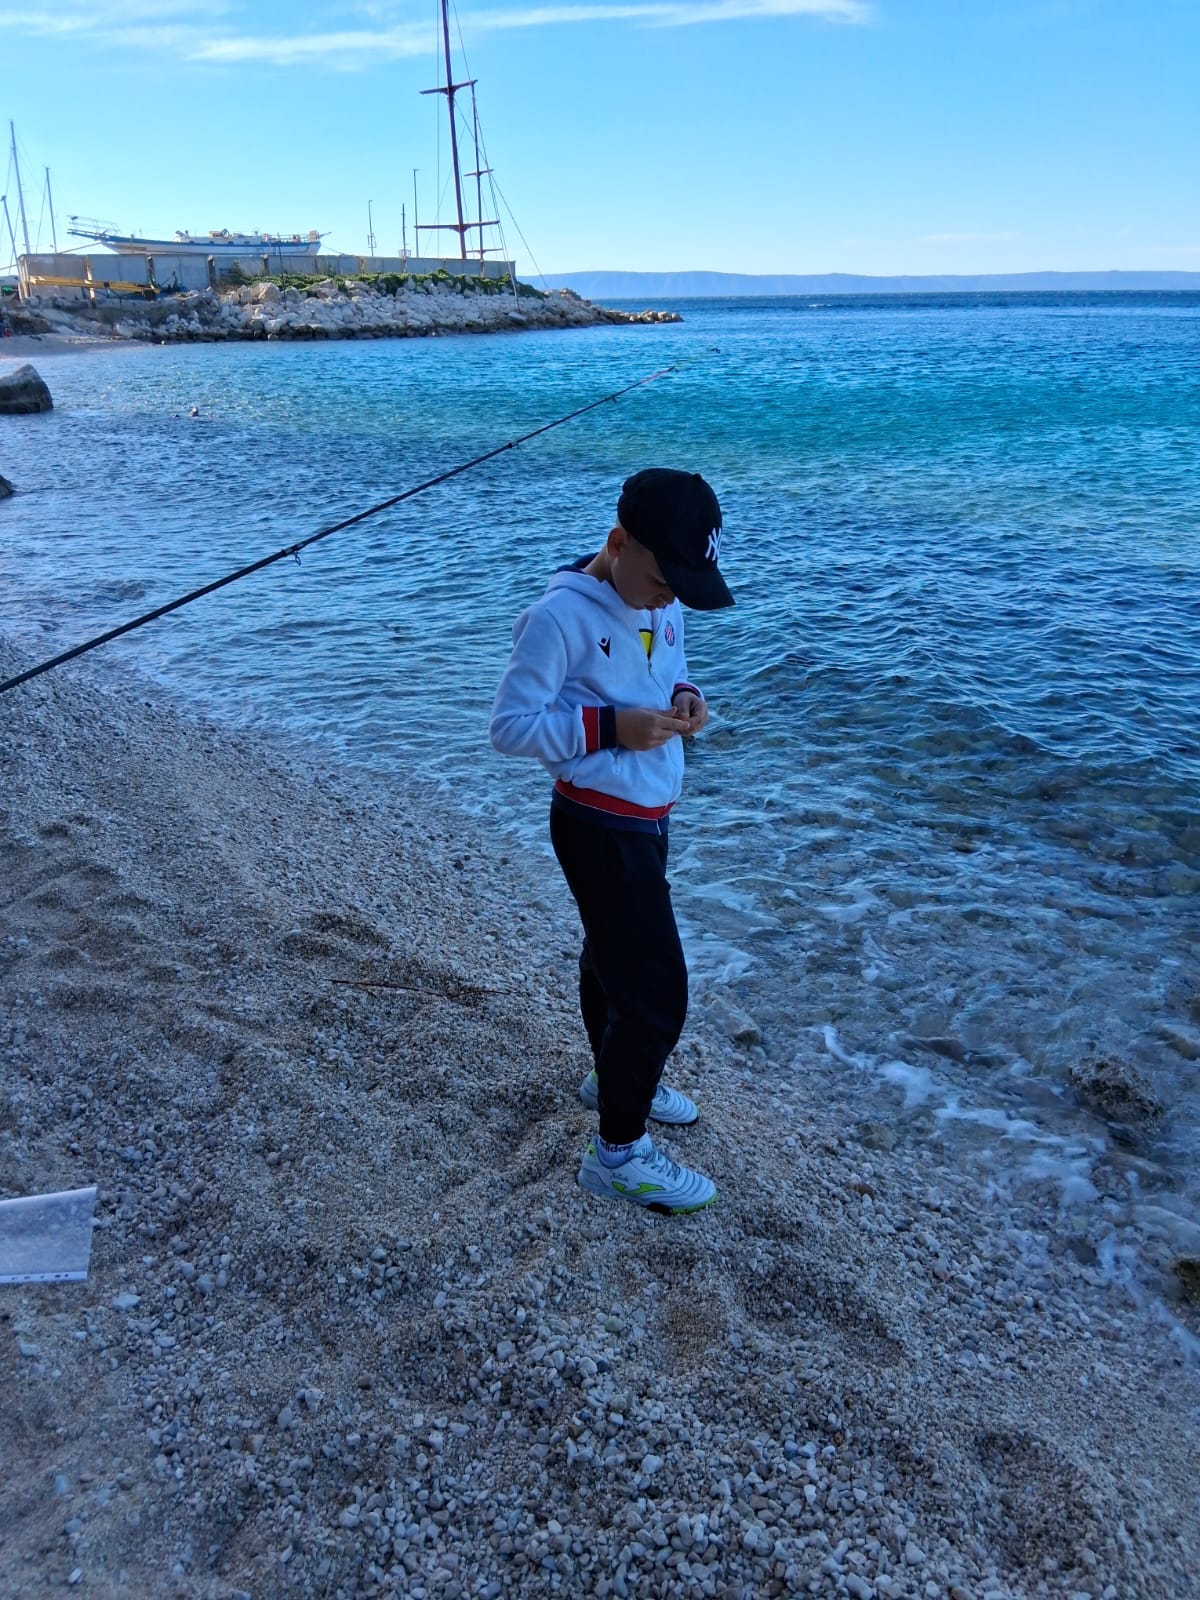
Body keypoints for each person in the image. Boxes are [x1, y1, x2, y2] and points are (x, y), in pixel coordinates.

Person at [489, 468, 733, 1214]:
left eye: (682, 587)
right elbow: (510, 728)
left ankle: (613, 1076)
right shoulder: (558, 617)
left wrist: (686, 696)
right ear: (618, 542)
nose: (667, 599)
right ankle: (617, 1153)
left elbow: (669, 663)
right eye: (662, 581)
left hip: (650, 814)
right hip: (596, 823)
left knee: (610, 960)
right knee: (658, 991)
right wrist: (609, 728)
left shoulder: (660, 595)